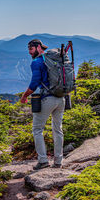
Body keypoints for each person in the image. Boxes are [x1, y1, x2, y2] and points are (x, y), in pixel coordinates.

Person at [20, 39, 65, 170]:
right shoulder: (55, 59)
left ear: (38, 47)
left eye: (31, 49)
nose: (29, 52)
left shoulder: (37, 62)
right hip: (61, 98)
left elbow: (34, 84)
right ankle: (58, 162)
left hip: (47, 99)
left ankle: (43, 160)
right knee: (58, 130)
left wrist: (24, 96)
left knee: (37, 130)